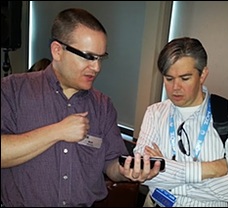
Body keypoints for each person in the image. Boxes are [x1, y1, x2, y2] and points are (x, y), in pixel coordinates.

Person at [1, 8, 161, 207]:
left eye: (101, 58)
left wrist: (127, 171)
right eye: (88, 56)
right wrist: (58, 131)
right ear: (57, 51)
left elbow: (110, 163)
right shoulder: (12, 90)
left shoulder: (103, 106)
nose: (97, 67)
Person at [133, 37, 228, 207]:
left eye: (185, 78)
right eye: (169, 78)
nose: (175, 87)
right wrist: (209, 170)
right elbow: (144, 172)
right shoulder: (154, 113)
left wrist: (168, 172)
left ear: (202, 74)